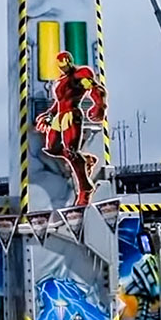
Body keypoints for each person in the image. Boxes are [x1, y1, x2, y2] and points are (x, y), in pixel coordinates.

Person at [35, 50, 107, 205]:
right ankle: (84, 160)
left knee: (70, 151)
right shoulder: (62, 80)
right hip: (60, 116)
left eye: (65, 63)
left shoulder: (79, 75)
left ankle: (85, 188)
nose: (62, 67)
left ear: (69, 61)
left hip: (71, 115)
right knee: (51, 148)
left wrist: (99, 105)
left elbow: (94, 88)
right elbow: (59, 102)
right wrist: (49, 115)